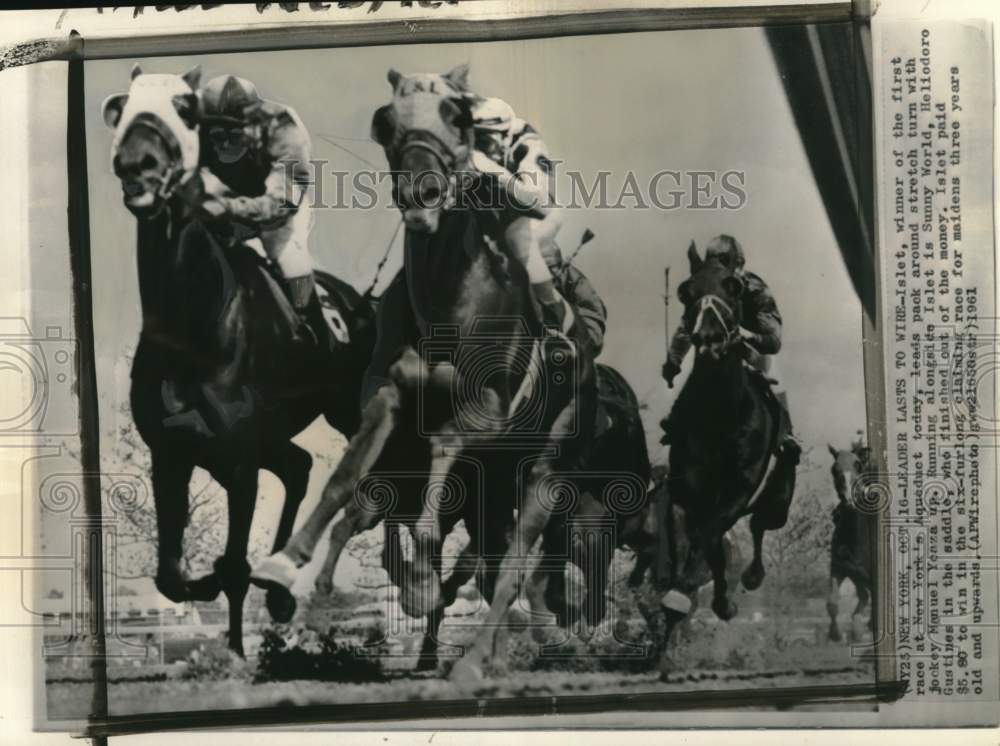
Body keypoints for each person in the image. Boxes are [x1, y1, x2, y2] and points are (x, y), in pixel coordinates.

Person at [190, 74, 321, 343]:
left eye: (235, 134)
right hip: (220, 205)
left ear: (254, 127)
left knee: (289, 254)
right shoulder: (192, 127)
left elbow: (282, 202)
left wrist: (229, 209)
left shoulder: (283, 128)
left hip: (279, 209)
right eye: (217, 135)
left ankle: (310, 328)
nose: (225, 143)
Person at [659, 234, 800, 461]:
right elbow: (687, 325)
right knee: (685, 375)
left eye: (722, 263)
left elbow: (774, 340)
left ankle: (786, 435)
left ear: (735, 264)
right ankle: (675, 425)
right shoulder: (706, 284)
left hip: (748, 348)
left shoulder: (754, 287)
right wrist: (674, 360)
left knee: (773, 370)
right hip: (713, 349)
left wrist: (746, 335)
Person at [468, 96, 575, 337]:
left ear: (505, 134)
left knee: (518, 236)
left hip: (538, 213)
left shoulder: (528, 144)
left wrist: (491, 170)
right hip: (495, 215)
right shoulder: (479, 147)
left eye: (485, 141)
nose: (479, 149)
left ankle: (552, 311)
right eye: (475, 141)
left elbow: (535, 200)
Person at [543, 244, 607, 359]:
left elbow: (592, 314)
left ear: (559, 264)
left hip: (575, 340)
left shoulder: (575, 281)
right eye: (543, 269)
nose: (548, 273)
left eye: (551, 268)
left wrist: (579, 342)